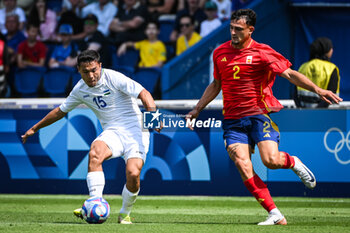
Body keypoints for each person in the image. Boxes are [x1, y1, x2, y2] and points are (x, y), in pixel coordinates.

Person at [186, 9, 342, 225]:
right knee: (242, 164)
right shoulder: (220, 52)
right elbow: (216, 85)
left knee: (270, 160)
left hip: (258, 115)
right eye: (231, 28)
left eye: (238, 29)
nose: (233, 32)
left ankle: (293, 162)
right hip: (232, 120)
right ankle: (274, 213)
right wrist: (197, 109)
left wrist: (318, 90)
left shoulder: (262, 52)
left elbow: (289, 74)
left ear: (251, 30)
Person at [21, 49, 161, 224]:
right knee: (95, 152)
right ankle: (94, 202)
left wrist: (153, 119)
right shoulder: (80, 89)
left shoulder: (113, 77)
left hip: (136, 130)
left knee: (133, 174)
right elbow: (60, 111)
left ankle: (125, 213)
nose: (91, 75)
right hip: (112, 131)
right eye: (86, 72)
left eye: (94, 70)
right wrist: (35, 128)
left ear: (100, 66)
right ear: (78, 70)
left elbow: (145, 94)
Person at [295, 37, 340, 108]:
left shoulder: (303, 67)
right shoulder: (332, 68)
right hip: (327, 114)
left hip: (304, 114)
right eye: (331, 48)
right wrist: (317, 112)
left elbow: (295, 93)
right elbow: (331, 94)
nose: (332, 50)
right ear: (326, 49)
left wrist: (302, 110)